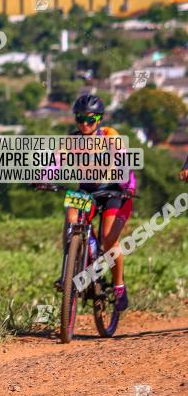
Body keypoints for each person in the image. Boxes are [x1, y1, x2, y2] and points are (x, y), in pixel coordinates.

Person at [54, 94, 136, 311]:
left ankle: (118, 285)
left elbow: (125, 161)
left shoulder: (110, 135)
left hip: (113, 192)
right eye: (80, 119)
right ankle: (69, 269)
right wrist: (43, 177)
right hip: (85, 191)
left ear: (99, 119)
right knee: (71, 219)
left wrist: (130, 186)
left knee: (109, 240)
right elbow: (56, 160)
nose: (84, 124)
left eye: (90, 120)